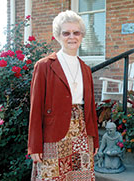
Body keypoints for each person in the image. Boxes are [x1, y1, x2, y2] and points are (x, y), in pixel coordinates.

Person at [28, 10, 99, 181]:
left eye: (76, 32)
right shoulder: (44, 66)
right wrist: (34, 145)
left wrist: (94, 138)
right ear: (58, 36)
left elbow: (90, 107)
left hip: (82, 132)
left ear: (81, 36)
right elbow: (35, 108)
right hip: (54, 133)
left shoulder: (86, 69)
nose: (71, 37)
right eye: (66, 33)